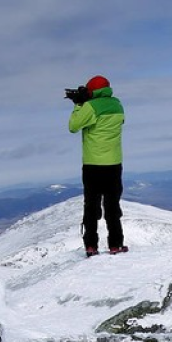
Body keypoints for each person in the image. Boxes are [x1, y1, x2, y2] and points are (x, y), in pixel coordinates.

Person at [68, 75, 127, 257]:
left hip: (93, 164)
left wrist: (78, 104)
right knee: (112, 205)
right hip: (114, 163)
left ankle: (91, 246)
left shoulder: (90, 107)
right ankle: (116, 244)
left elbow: (73, 126)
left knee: (91, 206)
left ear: (91, 90)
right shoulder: (118, 105)